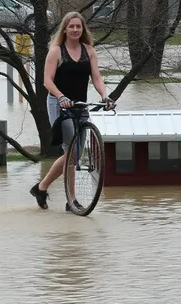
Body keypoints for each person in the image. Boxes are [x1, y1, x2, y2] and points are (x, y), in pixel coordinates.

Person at [30, 11, 115, 211]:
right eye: (71, 26)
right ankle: (72, 199)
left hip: (80, 105)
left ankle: (42, 188)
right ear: (65, 29)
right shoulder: (56, 51)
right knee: (72, 151)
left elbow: (96, 78)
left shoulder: (89, 51)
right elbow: (47, 81)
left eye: (79, 26)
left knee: (74, 154)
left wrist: (105, 96)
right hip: (59, 104)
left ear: (83, 29)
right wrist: (61, 97)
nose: (75, 30)